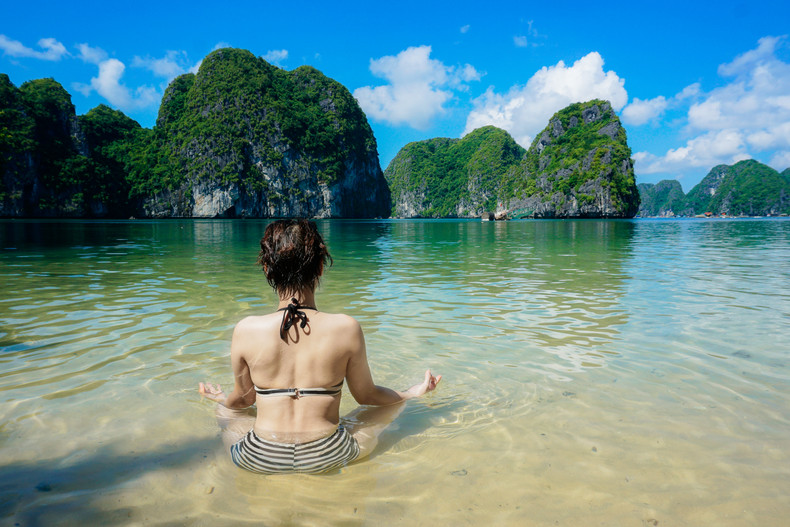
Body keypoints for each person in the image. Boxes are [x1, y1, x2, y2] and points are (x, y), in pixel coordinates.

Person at [198, 219, 441, 474]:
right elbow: (368, 396)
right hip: (327, 453)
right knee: (376, 411)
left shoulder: (246, 329)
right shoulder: (346, 327)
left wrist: (221, 399)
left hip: (259, 457)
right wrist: (409, 394)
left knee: (227, 412)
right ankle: (413, 397)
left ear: (267, 269)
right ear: (321, 268)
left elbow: (244, 400)